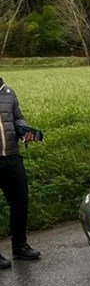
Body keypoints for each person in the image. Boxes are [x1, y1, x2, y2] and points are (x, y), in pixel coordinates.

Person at [0, 77, 42, 269]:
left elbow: (17, 117)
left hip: (12, 156)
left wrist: (23, 129)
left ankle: (20, 246)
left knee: (20, 201)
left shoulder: (8, 92)